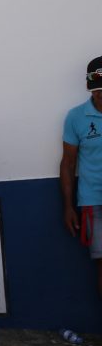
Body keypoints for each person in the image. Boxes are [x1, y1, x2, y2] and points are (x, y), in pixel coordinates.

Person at [61, 56, 102, 297]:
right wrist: (68, 206)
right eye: (97, 89)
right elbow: (68, 163)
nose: (101, 94)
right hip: (93, 201)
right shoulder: (76, 117)